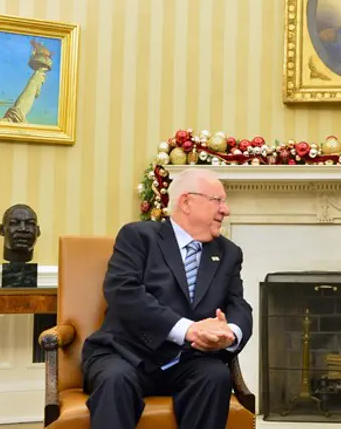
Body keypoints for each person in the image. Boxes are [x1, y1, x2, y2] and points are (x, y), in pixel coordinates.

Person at [81, 168, 253, 429]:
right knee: (116, 380)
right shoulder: (138, 237)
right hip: (125, 353)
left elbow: (237, 304)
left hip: (187, 360)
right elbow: (123, 291)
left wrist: (229, 333)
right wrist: (189, 330)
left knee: (215, 376)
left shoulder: (228, 253)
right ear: (186, 202)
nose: (225, 210)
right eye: (217, 200)